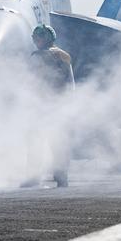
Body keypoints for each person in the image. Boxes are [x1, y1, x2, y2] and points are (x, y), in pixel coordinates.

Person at [26, 23, 75, 187]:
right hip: (56, 105)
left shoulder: (37, 56)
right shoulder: (64, 56)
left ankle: (34, 176)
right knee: (57, 142)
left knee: (37, 140)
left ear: (46, 38)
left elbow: (31, 83)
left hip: (45, 105)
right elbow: (71, 84)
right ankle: (61, 177)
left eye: (39, 36)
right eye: (35, 37)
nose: (36, 40)